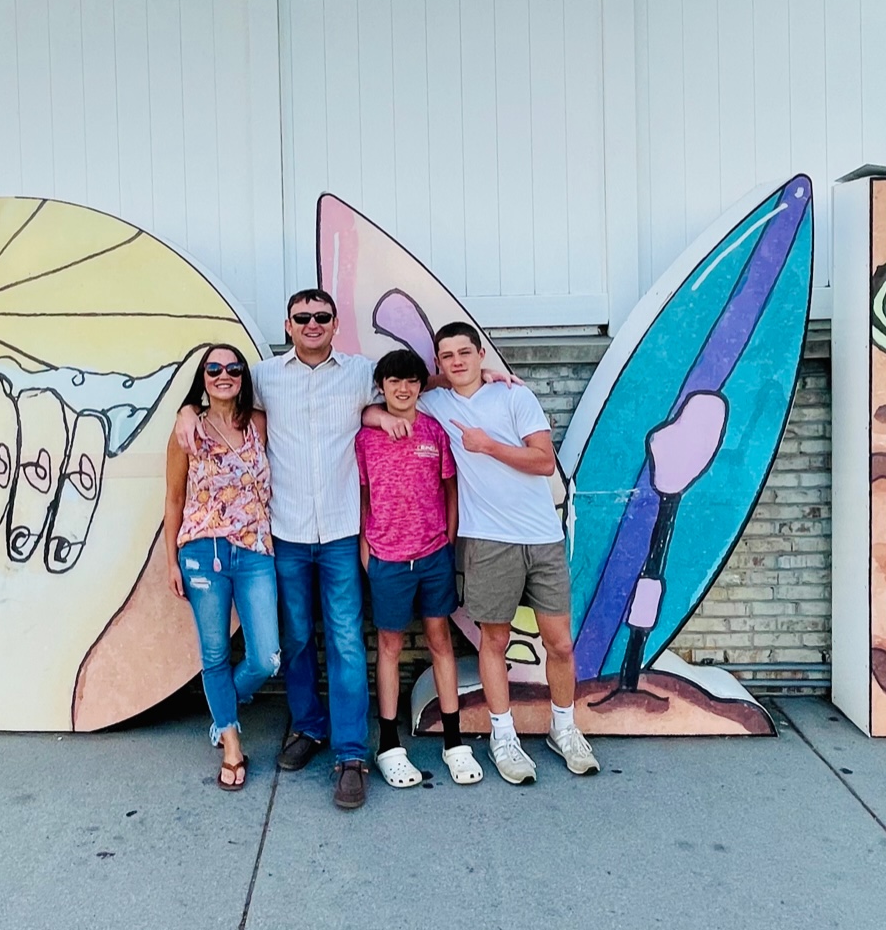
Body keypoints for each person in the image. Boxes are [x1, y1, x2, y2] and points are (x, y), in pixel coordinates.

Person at [176, 290, 376, 810]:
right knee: (295, 641)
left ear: (337, 323)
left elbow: (413, 387)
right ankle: (308, 728)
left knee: (347, 641)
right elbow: (218, 391)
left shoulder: (360, 373)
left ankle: (351, 754)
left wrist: (479, 378)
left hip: (338, 530)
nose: (313, 324)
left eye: (322, 317)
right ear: (287, 324)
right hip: (282, 533)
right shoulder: (264, 375)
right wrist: (184, 408)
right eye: (303, 317)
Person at [407, 322, 599, 784]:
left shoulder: (515, 397)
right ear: (438, 363)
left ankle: (564, 728)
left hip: (541, 538)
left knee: (561, 643)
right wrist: (442, 380)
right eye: (446, 355)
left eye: (465, 353)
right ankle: (503, 736)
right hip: (487, 541)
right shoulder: (436, 401)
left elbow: (543, 461)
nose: (457, 361)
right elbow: (392, 393)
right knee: (492, 642)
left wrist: (487, 446)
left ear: (480, 354)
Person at [357, 349, 482, 789]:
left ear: (419, 385)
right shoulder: (365, 438)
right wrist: (364, 541)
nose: (403, 389)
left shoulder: (434, 431)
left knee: (440, 640)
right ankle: (389, 743)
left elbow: (450, 488)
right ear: (382, 386)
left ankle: (453, 740)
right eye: (393, 381)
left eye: (410, 381)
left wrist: (447, 540)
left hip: (433, 557)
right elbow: (364, 495)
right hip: (388, 557)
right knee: (388, 645)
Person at [163, 344, 281, 792]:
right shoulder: (184, 434)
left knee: (266, 656)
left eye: (232, 368)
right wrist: (171, 560)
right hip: (200, 553)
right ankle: (231, 743)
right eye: (213, 369)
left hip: (254, 551)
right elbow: (174, 498)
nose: (223, 374)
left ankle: (223, 707)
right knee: (213, 653)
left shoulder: (258, 424)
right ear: (203, 377)